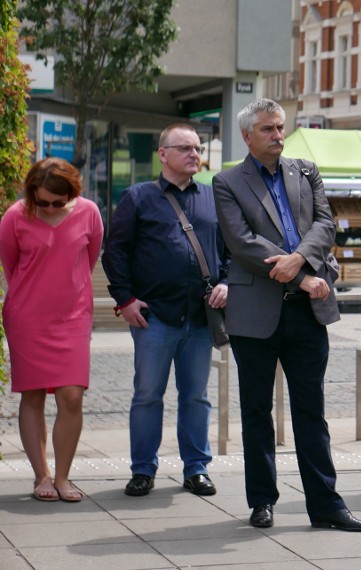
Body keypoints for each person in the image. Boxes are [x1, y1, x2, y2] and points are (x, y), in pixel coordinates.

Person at [212, 98, 361, 532]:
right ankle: (262, 500)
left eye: (280, 127)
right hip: (256, 312)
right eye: (267, 129)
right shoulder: (227, 181)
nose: (278, 135)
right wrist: (301, 277)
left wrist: (298, 260)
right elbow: (242, 242)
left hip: (307, 313)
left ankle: (326, 506)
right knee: (256, 411)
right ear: (248, 136)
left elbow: (325, 225)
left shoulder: (306, 170)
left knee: (311, 411)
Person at [102, 124, 228, 498]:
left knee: (196, 397)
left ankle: (196, 469)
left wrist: (227, 282)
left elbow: (231, 250)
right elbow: (115, 252)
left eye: (197, 147)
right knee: (147, 394)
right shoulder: (138, 197)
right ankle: (143, 469)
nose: (194, 154)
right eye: (185, 148)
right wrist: (124, 299)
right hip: (154, 316)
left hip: (201, 317)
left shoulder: (213, 198)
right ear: (163, 154)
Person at [0, 158, 103, 502]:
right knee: (32, 395)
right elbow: (12, 267)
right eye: (41, 201)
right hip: (27, 318)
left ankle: (62, 477)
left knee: (71, 395)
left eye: (57, 203)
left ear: (72, 193)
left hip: (73, 317)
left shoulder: (89, 212)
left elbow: (88, 261)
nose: (48, 207)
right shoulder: (15, 216)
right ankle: (41, 475)